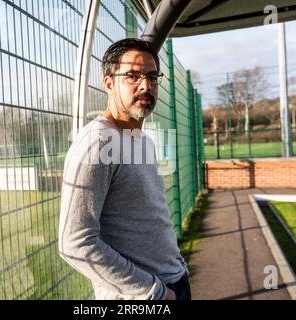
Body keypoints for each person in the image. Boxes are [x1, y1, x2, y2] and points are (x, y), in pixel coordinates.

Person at [58, 38, 190, 300]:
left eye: (152, 77)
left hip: (174, 281)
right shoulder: (96, 143)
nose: (146, 85)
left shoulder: (144, 141)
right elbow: (74, 243)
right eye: (132, 76)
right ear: (109, 83)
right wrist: (154, 292)